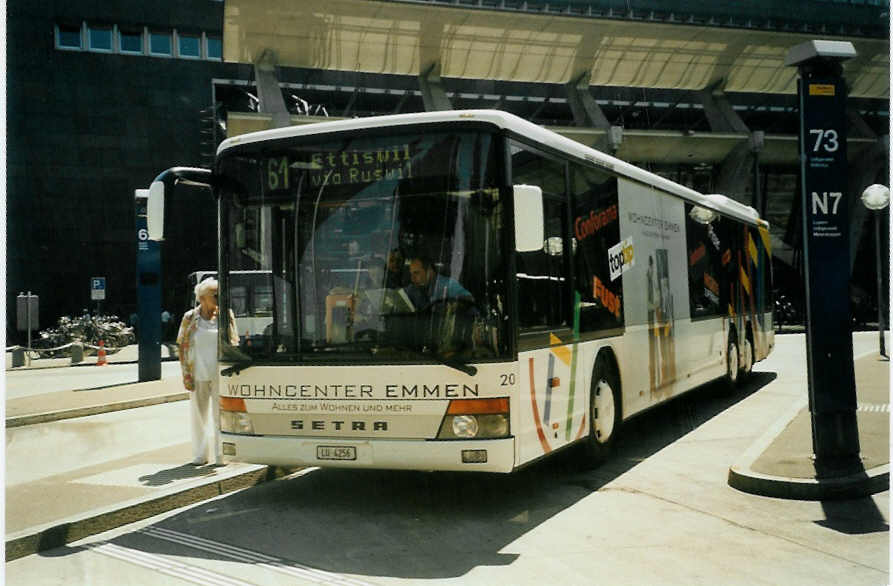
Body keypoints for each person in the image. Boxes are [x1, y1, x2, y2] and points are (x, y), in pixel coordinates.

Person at [176, 278, 238, 466]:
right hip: (197, 373)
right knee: (198, 416)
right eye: (215, 295)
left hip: (221, 374)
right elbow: (181, 345)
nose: (219, 298)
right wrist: (185, 373)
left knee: (221, 416)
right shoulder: (189, 318)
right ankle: (200, 455)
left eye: (220, 294)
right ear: (202, 298)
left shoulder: (225, 315)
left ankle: (221, 455)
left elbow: (234, 342)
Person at [404, 256, 473, 311]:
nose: (412, 279)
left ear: (430, 271)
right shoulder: (414, 289)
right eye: (411, 274)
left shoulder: (448, 284)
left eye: (416, 273)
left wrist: (451, 306)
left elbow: (469, 300)